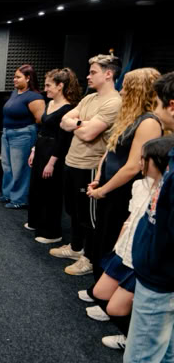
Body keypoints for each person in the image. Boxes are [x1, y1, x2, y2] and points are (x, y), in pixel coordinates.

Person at [81, 136, 174, 351]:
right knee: (100, 293)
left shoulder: (166, 193)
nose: (139, 162)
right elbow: (130, 220)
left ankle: (132, 337)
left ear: (159, 163)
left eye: (144, 159)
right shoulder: (139, 185)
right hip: (125, 251)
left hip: (142, 260)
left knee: (115, 309)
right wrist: (117, 248)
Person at [85, 68, 162, 282]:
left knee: (112, 239)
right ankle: (98, 285)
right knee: (102, 235)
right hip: (109, 185)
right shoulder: (131, 117)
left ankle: (104, 290)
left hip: (122, 191)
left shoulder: (148, 122)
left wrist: (103, 190)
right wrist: (99, 178)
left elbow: (133, 167)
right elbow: (110, 150)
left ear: (138, 90)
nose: (121, 91)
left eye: (126, 87)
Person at [50, 54, 122, 276]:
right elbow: (64, 121)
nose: (88, 76)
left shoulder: (114, 102)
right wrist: (82, 123)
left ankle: (89, 258)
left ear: (108, 74)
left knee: (88, 217)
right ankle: (75, 248)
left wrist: (78, 125)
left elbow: (90, 134)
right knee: (73, 210)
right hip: (72, 162)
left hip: (90, 166)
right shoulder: (89, 98)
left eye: (93, 72)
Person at [124, 72, 174, 362]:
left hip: (161, 280)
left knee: (141, 357)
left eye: (157, 103)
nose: (154, 111)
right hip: (158, 275)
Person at [26, 68, 81, 243]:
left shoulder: (68, 109)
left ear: (60, 86)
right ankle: (36, 222)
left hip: (54, 152)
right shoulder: (49, 103)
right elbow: (43, 129)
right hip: (41, 147)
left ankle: (51, 233)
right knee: (37, 188)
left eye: (49, 85)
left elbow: (63, 139)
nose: (45, 89)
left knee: (50, 192)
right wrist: (34, 150)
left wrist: (51, 163)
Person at [0, 64, 45, 209]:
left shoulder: (35, 97)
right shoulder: (15, 93)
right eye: (14, 77)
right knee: (7, 167)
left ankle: (19, 199)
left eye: (18, 77)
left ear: (28, 78)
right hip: (7, 133)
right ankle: (8, 194)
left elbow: (40, 119)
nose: (14, 79)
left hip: (23, 135)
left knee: (20, 169)